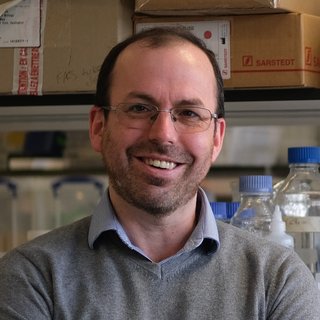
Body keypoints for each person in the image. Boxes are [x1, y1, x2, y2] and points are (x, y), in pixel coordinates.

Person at [0, 27, 319, 320]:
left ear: (217, 138)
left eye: (189, 113)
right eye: (139, 108)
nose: (163, 134)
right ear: (98, 127)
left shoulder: (276, 279)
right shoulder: (33, 277)